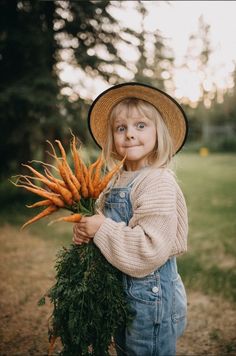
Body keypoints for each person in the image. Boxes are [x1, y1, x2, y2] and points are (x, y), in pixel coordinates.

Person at [73, 82, 188, 356]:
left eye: (141, 126)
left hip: (151, 297)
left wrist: (101, 228)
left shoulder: (157, 181)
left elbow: (149, 249)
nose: (130, 135)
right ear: (112, 138)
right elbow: (101, 226)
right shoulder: (112, 180)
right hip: (123, 293)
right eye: (121, 128)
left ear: (158, 133)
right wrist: (86, 231)